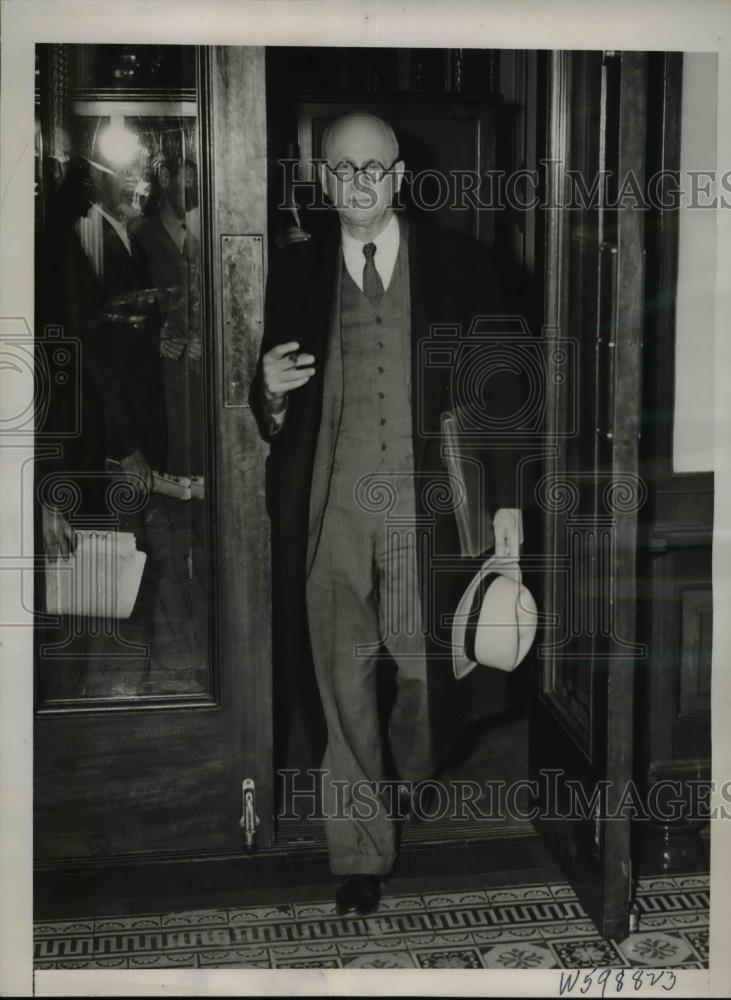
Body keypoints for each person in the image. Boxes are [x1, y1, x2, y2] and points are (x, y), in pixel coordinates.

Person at [250, 112, 529, 915]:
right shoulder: (293, 272)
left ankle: (402, 782)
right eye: (344, 169)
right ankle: (360, 852)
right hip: (326, 505)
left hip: (424, 504)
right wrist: (265, 388)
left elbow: (503, 392)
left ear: (399, 176)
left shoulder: (460, 263)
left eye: (374, 168)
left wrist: (507, 505)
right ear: (324, 180)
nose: (360, 183)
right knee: (340, 681)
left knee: (423, 672)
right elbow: (265, 393)